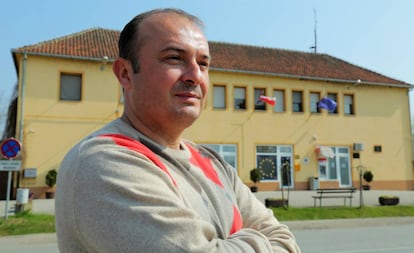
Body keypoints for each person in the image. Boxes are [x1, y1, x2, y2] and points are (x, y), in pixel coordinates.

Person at [55, 8, 301, 253]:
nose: (195, 76)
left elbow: (285, 239)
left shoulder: (213, 163)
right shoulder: (103, 161)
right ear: (125, 74)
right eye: (174, 58)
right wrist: (259, 240)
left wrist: (230, 245)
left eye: (203, 64)